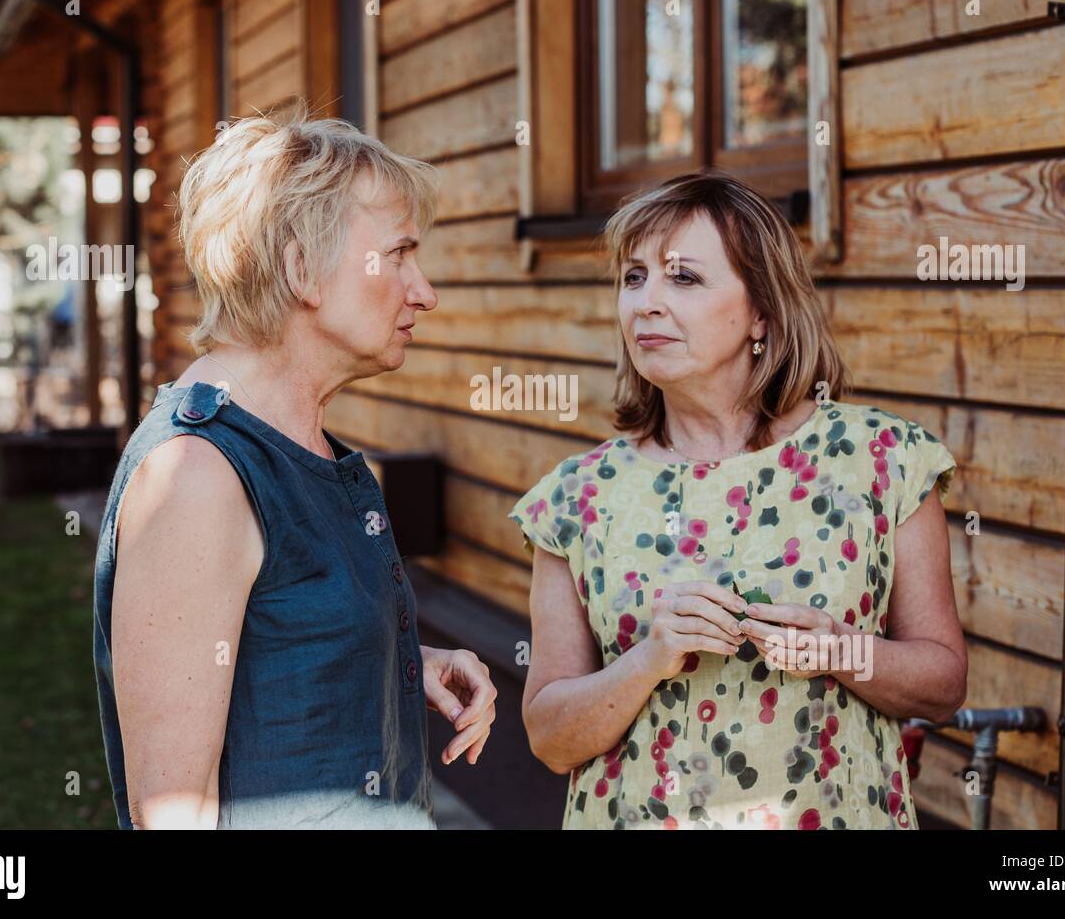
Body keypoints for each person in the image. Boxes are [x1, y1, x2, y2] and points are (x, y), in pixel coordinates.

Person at [509, 170, 966, 829]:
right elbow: (550, 739)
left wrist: (843, 651)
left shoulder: (882, 461)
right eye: (634, 278)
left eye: (683, 278)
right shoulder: (577, 498)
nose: (646, 303)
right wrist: (648, 660)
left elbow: (945, 685)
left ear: (760, 309)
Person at [93, 106, 496, 829]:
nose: (424, 291)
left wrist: (393, 659)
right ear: (300, 268)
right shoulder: (197, 473)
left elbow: (269, 642)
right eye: (399, 254)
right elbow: (174, 812)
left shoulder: (304, 444)